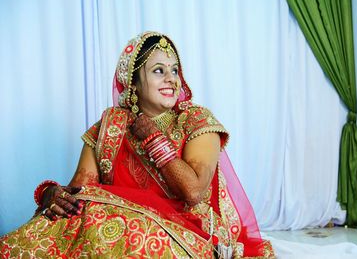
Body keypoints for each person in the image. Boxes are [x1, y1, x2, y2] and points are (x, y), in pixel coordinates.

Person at [0, 31, 274, 258]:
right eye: (158, 70)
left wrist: (153, 139)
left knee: (128, 235)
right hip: (117, 229)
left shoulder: (195, 120)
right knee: (61, 228)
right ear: (133, 85)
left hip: (192, 233)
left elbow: (194, 191)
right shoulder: (110, 127)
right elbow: (81, 195)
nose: (171, 78)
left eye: (175, 70)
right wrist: (52, 195)